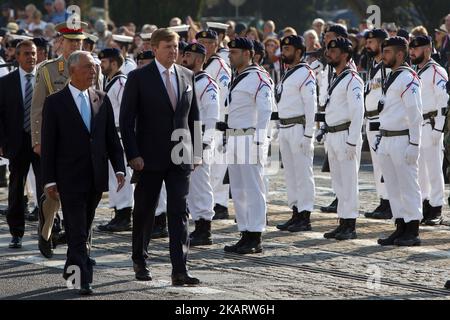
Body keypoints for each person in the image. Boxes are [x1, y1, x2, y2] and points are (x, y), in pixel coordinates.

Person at [119, 28, 201, 286]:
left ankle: (180, 269)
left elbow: (194, 117)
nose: (174, 51)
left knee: (179, 212)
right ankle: (140, 260)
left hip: (180, 156)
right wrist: (133, 154)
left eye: (176, 47)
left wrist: (197, 151)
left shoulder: (187, 76)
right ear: (155, 49)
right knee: (145, 211)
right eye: (168, 47)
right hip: (148, 157)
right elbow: (126, 120)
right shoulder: (138, 77)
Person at [41, 51, 125, 295]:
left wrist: (119, 167)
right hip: (68, 177)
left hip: (95, 176)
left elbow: (111, 138)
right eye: (88, 67)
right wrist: (49, 179)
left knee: (84, 227)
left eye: (95, 67)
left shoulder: (102, 98)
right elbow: (49, 145)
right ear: (72, 71)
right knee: (77, 228)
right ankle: (82, 279)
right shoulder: (55, 102)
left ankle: (72, 268)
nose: (94, 71)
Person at [31, 21, 101, 259]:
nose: (76, 46)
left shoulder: (93, 67)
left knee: (84, 196)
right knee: (52, 195)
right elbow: (38, 108)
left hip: (83, 145)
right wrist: (38, 140)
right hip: (56, 143)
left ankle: (82, 243)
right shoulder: (48, 70)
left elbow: (97, 104)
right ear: (61, 42)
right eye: (72, 42)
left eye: (80, 42)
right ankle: (47, 230)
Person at [223, 37, 273, 254]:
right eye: (230, 52)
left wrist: (260, 141)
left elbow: (265, 111)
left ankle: (255, 234)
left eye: (234, 52)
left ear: (247, 53)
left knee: (253, 188)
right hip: (234, 137)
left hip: (249, 138)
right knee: (239, 189)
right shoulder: (238, 77)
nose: (230, 56)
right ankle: (244, 231)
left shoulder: (259, 77)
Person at [376, 37, 423, 247]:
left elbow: (415, 113)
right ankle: (400, 225)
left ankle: (412, 229)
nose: (383, 55)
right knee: (393, 188)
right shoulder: (392, 76)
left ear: (400, 55)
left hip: (403, 138)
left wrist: (415, 143)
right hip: (387, 138)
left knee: (408, 186)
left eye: (387, 52)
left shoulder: (408, 78)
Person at [0, 40, 43, 249]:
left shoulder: (44, 80)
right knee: (16, 188)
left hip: (41, 143)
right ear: (17, 57)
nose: (31, 57)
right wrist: (2, 142)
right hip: (16, 143)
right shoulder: (5, 82)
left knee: (46, 186)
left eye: (33, 53)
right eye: (26, 53)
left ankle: (47, 230)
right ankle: (16, 232)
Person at [322, 37, 364, 241]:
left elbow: (358, 111)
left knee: (349, 182)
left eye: (334, 51)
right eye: (329, 50)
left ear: (345, 55)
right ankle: (342, 220)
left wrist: (353, 141)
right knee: (338, 183)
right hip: (333, 134)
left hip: (346, 135)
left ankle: (350, 224)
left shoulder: (352, 79)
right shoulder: (336, 77)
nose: (329, 54)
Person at [274, 35, 317, 233]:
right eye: (283, 48)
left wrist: (309, 134)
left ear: (299, 52)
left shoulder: (305, 73)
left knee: (303, 174)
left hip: (299, 128)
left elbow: (310, 105)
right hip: (285, 128)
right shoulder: (288, 72)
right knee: (291, 175)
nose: (284, 52)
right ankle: (295, 211)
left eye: (288, 49)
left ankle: (305, 215)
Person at [181, 43, 219, 246]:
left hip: (200, 135)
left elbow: (212, 115)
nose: (184, 58)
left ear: (199, 59)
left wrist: (205, 142)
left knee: (201, 183)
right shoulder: (187, 79)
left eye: (188, 55)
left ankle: (205, 227)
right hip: (186, 135)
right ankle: (197, 222)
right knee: (191, 183)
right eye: (184, 54)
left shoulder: (207, 83)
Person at [410, 35, 449, 226]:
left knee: (434, 168)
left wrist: (439, 128)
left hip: (432, 123)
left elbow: (443, 101)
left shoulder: (436, 71)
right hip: (419, 124)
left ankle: (436, 208)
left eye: (415, 49)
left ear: (427, 49)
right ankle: (424, 204)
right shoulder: (416, 71)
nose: (412, 52)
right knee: (420, 171)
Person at [97, 48, 134, 232]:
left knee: (122, 176)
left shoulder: (121, 83)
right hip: (112, 135)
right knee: (114, 176)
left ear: (113, 63)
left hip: (121, 135)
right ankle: (119, 212)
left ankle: (124, 214)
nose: (101, 65)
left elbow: (129, 111)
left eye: (104, 62)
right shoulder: (110, 81)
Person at [196, 29, 231, 220]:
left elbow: (223, 96)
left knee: (216, 169)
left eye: (208, 42)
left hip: (216, 122)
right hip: (204, 122)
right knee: (209, 170)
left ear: (215, 45)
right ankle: (212, 203)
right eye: (200, 41)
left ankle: (220, 204)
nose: (203, 45)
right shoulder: (205, 64)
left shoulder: (220, 66)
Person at [363, 29, 392, 220]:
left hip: (381, 120)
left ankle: (389, 202)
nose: (367, 45)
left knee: (385, 164)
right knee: (377, 164)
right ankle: (382, 200)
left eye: (371, 42)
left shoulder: (387, 67)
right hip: (370, 119)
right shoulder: (372, 65)